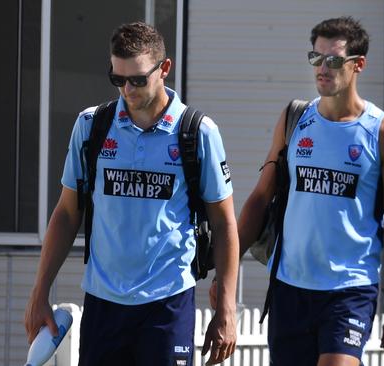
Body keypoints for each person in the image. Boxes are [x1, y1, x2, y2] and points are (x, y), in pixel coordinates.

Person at [24, 21, 239, 366]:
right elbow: (67, 213)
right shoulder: (91, 125)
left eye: (138, 79)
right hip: (103, 303)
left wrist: (226, 307)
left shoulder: (197, 132)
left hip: (167, 303)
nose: (127, 89)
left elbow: (225, 224)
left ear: (164, 68)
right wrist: (40, 291)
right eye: (117, 79)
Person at [230, 16, 384, 366]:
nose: (322, 69)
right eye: (316, 58)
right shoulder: (294, 118)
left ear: (358, 65)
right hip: (289, 287)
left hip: (350, 289)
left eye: (332, 60)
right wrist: (227, 269)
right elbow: (259, 197)